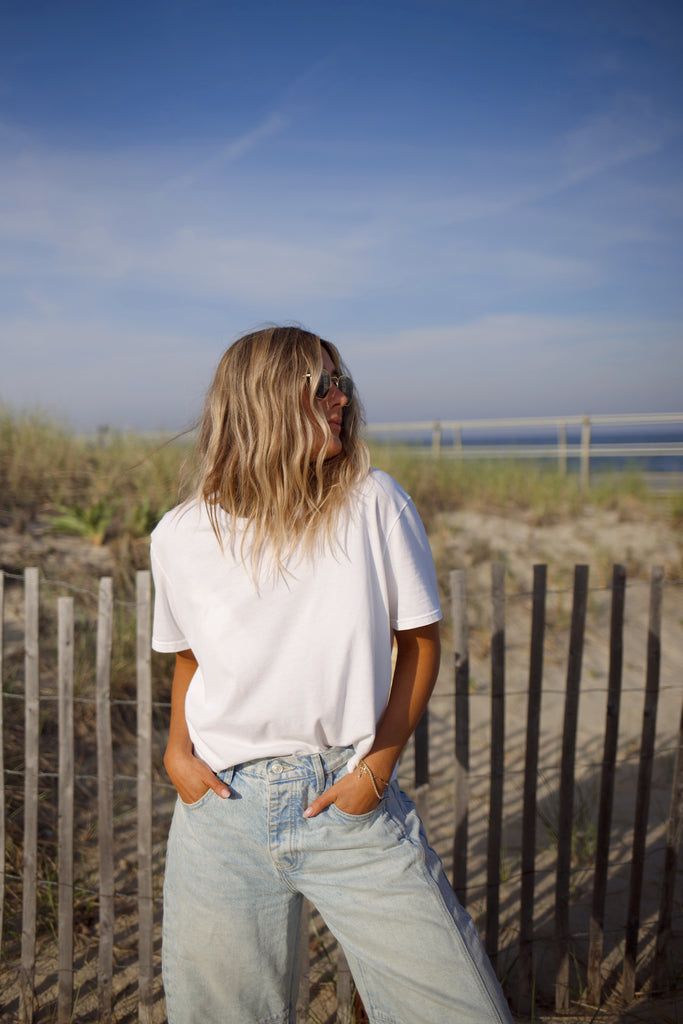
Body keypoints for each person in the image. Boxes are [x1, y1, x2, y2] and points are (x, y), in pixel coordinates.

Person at [150, 325, 512, 1024]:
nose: (341, 397)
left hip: (346, 799)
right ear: (263, 402)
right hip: (219, 813)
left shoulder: (373, 503)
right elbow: (190, 656)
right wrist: (174, 751)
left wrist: (375, 769)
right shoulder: (180, 534)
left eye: (340, 380)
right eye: (322, 385)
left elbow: (420, 642)